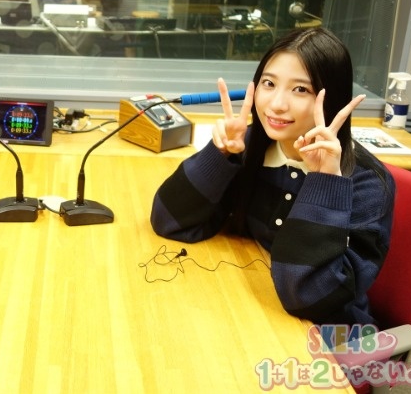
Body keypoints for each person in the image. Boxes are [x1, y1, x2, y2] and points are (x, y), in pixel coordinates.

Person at [150, 27, 395, 327]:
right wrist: (219, 154)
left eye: (300, 89)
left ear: (332, 99)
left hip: (332, 335)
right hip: (259, 307)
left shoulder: (366, 184)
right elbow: (168, 220)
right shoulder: (252, 147)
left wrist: (324, 183)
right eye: (269, 83)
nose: (277, 104)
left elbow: (307, 296)